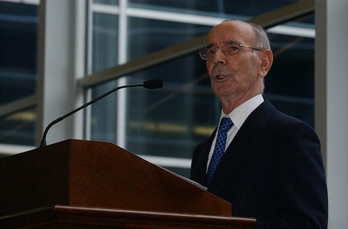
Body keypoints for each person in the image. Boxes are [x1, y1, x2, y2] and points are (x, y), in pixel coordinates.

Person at [190, 20, 328, 228]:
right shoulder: (202, 151)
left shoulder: (290, 135)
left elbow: (308, 223)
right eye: (210, 52)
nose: (217, 58)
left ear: (264, 62)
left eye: (232, 48)